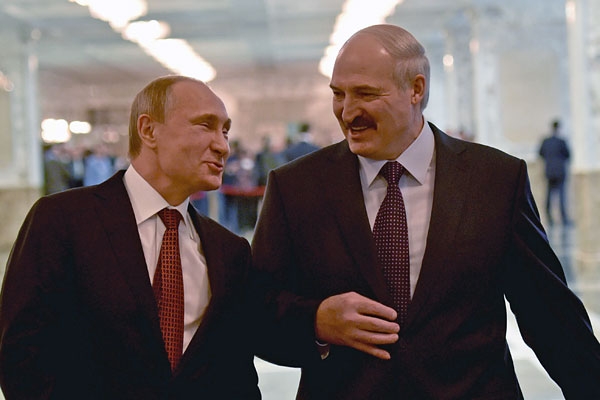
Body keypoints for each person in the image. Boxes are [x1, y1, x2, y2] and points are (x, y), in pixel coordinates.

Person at [251, 24, 600, 399]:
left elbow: (549, 315)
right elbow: (256, 311)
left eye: (365, 94)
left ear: (415, 90)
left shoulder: (495, 179)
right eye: (339, 94)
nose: (348, 112)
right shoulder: (296, 187)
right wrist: (316, 322)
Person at [0, 75, 260, 399]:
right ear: (148, 130)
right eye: (205, 125)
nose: (223, 146)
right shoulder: (62, 221)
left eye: (225, 131)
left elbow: (237, 376)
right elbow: (22, 358)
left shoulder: (230, 251)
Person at [539, 119, 571, 226]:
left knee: (549, 196)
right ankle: (563, 219)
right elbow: (568, 155)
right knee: (561, 196)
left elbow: (541, 153)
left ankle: (549, 218)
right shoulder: (561, 142)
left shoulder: (546, 141)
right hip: (560, 172)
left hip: (549, 172)